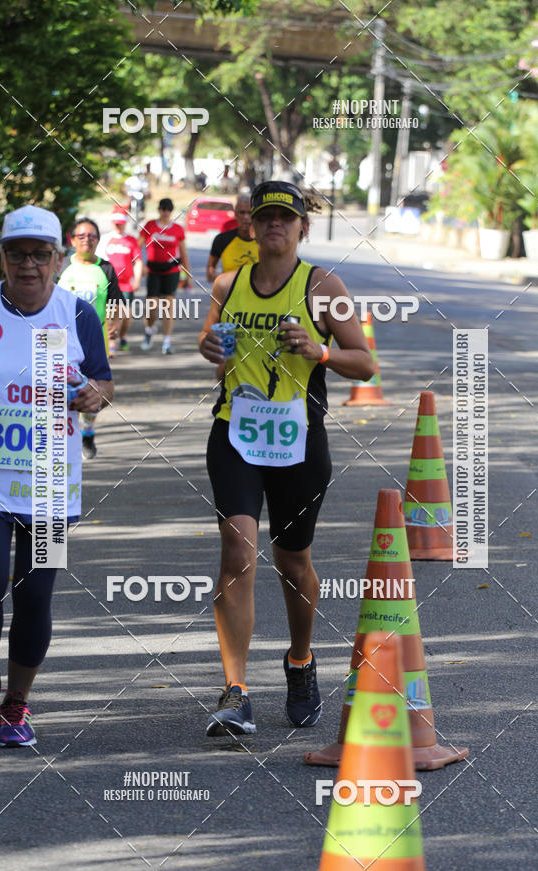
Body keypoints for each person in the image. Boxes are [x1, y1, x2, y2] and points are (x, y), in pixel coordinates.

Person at [198, 181, 374, 737]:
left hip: (298, 442)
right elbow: (218, 354)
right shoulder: (228, 284)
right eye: (267, 217)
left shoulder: (323, 286)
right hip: (235, 435)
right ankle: (235, 690)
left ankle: (300, 660)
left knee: (293, 563)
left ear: (302, 227)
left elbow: (365, 365)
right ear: (252, 226)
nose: (275, 225)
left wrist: (319, 350)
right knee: (238, 550)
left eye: (286, 218)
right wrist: (210, 350)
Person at [0, 204, 113, 747]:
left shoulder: (76, 315)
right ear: (1, 257)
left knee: (34, 595)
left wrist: (96, 395)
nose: (29, 265)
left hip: (51, 480)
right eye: (17, 254)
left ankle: (18, 703)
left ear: (58, 258)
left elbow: (101, 381)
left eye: (40, 255)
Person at [58, 217, 123, 460]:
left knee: (94, 389)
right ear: (72, 240)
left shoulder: (105, 268)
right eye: (81, 236)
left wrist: (114, 325)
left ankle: (87, 431)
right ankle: (61, 436)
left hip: (95, 341)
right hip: (61, 340)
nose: (87, 240)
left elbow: (116, 303)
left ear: (98, 240)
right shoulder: (62, 266)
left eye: (92, 236)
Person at [139, 198, 192, 354]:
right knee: (152, 306)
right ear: (159, 210)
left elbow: (183, 253)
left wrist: (188, 275)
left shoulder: (177, 229)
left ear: (171, 211)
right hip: (154, 271)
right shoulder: (150, 226)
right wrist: (140, 265)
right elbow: (137, 246)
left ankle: (166, 342)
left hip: (171, 271)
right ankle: (149, 330)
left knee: (168, 307)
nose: (165, 212)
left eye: (168, 209)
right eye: (163, 209)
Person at [97, 206, 143, 354]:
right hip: (110, 283)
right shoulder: (105, 239)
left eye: (121, 222)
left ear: (125, 222)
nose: (118, 225)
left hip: (126, 283)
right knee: (111, 313)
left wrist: (137, 279)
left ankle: (122, 336)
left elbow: (138, 261)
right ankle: (111, 342)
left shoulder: (131, 240)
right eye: (116, 222)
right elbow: (98, 261)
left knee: (126, 316)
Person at [206, 194, 259, 282]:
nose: (246, 217)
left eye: (249, 213)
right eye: (242, 212)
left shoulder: (265, 241)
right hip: (229, 294)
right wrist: (220, 282)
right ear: (235, 214)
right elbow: (210, 268)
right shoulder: (222, 240)